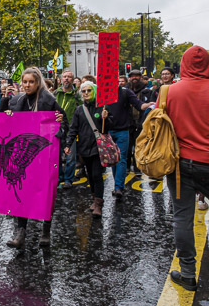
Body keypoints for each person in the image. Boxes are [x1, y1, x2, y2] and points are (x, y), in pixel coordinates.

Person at [160, 46, 209, 291]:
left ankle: (187, 273)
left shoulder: (169, 91)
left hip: (180, 165)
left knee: (182, 217)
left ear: (183, 64)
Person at [5, 68, 67, 248]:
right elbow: (8, 125)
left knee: (46, 192)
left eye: (31, 82)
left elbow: (64, 123)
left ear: (38, 82)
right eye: (25, 82)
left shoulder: (49, 100)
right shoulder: (17, 101)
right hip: (23, 156)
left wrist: (60, 122)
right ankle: (21, 232)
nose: (27, 85)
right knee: (21, 192)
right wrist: (8, 116)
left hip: (44, 156)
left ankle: (46, 230)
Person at [64, 81, 112, 217]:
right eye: (83, 91)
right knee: (90, 175)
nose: (86, 93)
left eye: (89, 90)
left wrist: (106, 118)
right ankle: (94, 198)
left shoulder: (102, 107)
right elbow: (73, 128)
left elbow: (109, 127)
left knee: (97, 175)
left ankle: (99, 204)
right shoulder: (79, 110)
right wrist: (68, 144)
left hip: (98, 147)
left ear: (94, 91)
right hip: (84, 147)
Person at [106, 83, 153, 199]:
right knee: (112, 160)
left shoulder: (125, 92)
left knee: (121, 159)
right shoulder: (103, 93)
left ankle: (118, 187)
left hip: (122, 131)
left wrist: (148, 105)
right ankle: (118, 184)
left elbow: (139, 105)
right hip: (107, 131)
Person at [54, 70, 82, 189]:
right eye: (64, 76)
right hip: (57, 129)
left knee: (70, 156)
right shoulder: (55, 93)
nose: (66, 79)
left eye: (69, 77)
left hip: (71, 130)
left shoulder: (77, 95)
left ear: (72, 79)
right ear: (61, 79)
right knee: (57, 156)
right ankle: (59, 177)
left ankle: (68, 179)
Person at [126, 69, 155, 172]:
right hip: (128, 122)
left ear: (141, 77)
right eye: (132, 76)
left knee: (139, 146)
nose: (134, 78)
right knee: (128, 147)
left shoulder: (147, 91)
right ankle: (127, 166)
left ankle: (138, 167)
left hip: (141, 122)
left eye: (137, 76)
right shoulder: (125, 90)